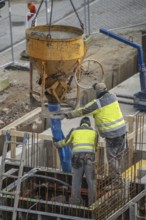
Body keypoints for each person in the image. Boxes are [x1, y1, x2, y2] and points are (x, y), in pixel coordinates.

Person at [63, 83, 126, 186]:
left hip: (112, 135)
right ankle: (114, 176)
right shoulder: (113, 97)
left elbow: (83, 111)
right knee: (118, 157)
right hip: (122, 131)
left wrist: (69, 115)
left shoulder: (97, 104)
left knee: (112, 158)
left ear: (97, 92)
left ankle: (117, 181)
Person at [55, 117, 98, 206]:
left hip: (77, 159)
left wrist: (57, 144)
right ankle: (92, 204)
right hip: (90, 159)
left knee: (76, 182)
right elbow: (95, 148)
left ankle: (75, 203)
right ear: (89, 124)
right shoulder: (94, 132)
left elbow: (65, 142)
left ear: (81, 124)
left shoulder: (74, 131)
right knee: (92, 183)